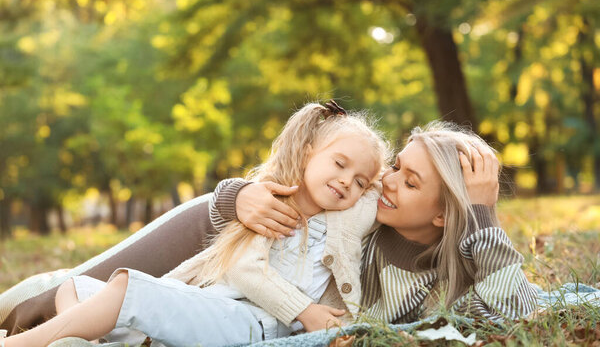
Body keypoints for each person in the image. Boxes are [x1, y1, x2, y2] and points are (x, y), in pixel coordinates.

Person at [1, 101, 390, 347]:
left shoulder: (349, 219)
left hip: (254, 323)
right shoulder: (269, 199)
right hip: (211, 304)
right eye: (339, 164)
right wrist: (236, 194)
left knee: (126, 289)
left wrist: (304, 312)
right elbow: (240, 265)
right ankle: (83, 341)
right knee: (75, 286)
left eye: (359, 180)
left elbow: (393, 188)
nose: (346, 181)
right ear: (308, 154)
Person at [209, 121, 539, 324]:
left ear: (443, 215)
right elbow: (224, 210)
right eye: (396, 167)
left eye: (410, 183)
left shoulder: (440, 285)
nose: (387, 182)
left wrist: (480, 213)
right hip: (204, 249)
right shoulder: (360, 201)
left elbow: (517, 313)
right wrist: (235, 195)